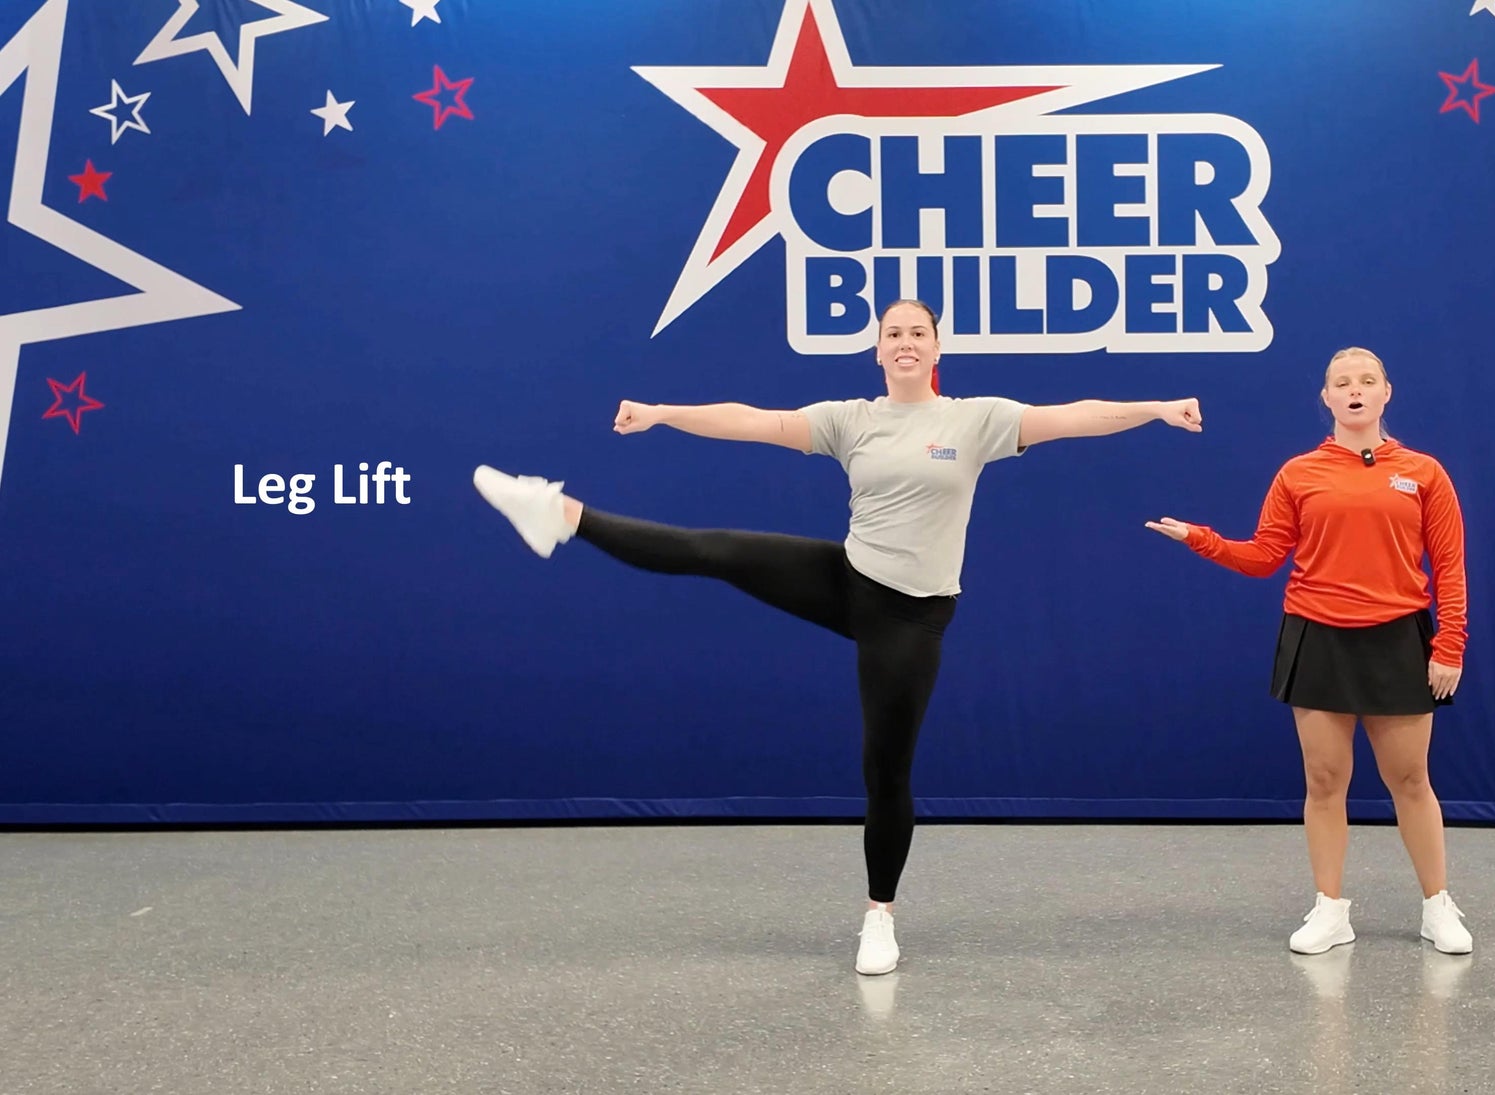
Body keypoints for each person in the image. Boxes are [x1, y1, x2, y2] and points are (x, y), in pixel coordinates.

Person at [472, 299, 1203, 976]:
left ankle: (879, 915)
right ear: (878, 350)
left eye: (918, 333)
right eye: (893, 334)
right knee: (712, 549)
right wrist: (664, 413)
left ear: (937, 348)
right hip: (849, 579)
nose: (905, 342)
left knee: (886, 769)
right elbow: (754, 421)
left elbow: (1076, 416)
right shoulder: (851, 419)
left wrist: (1157, 409)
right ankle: (558, 513)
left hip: (913, 616)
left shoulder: (977, 420)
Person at [1145, 346, 1473, 955]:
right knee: (1324, 781)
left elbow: (1449, 565)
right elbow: (1264, 556)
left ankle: (1438, 907)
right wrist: (1200, 539)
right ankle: (1330, 909)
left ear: (1386, 393)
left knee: (1410, 779)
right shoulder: (1298, 473)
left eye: (1367, 380)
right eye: (1342, 383)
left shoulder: (1424, 472)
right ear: (1326, 397)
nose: (1355, 390)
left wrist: (1449, 643)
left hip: (1398, 637)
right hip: (1317, 636)